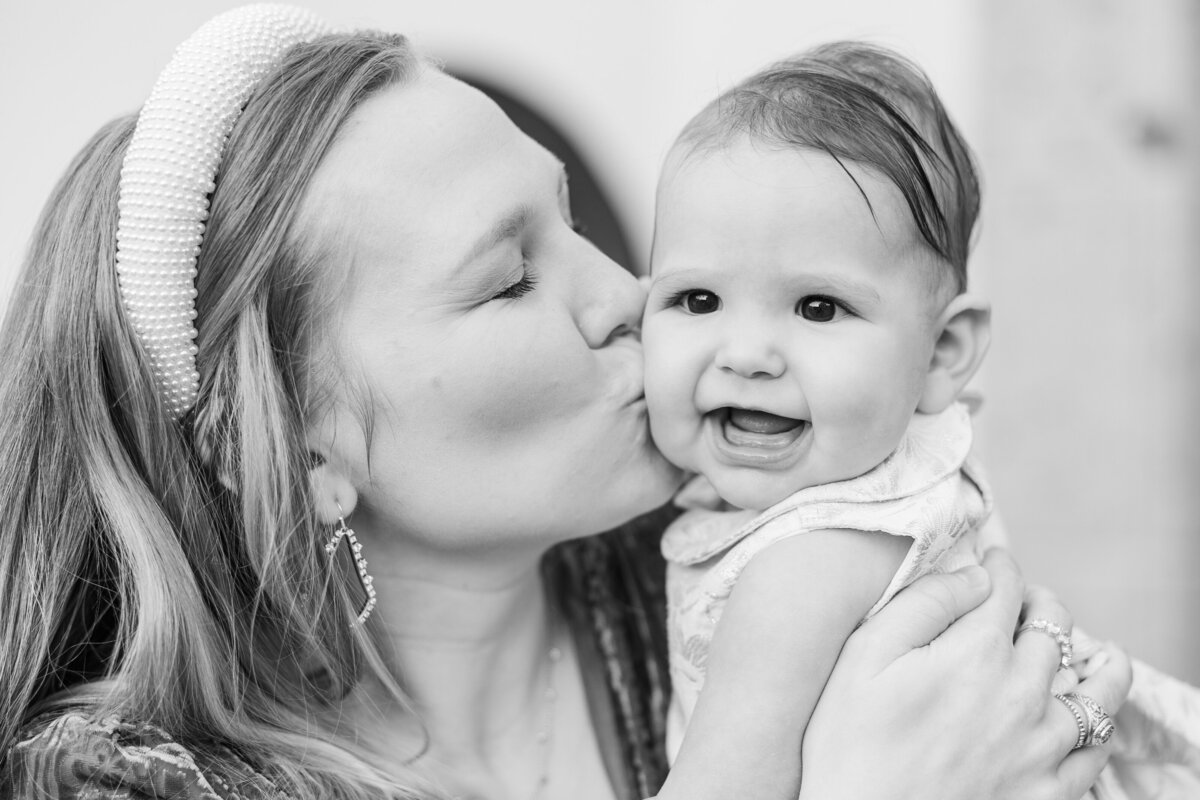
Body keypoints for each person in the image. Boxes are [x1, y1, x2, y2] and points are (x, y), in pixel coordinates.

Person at [0, 7, 1130, 800]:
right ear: (305, 447)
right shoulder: (125, 781)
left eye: (574, 223)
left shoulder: (727, 553)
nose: (630, 298)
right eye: (509, 280)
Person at [641, 42, 1200, 800]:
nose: (744, 355)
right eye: (697, 300)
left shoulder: (798, 577)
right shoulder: (905, 459)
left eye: (818, 307)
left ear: (942, 353)